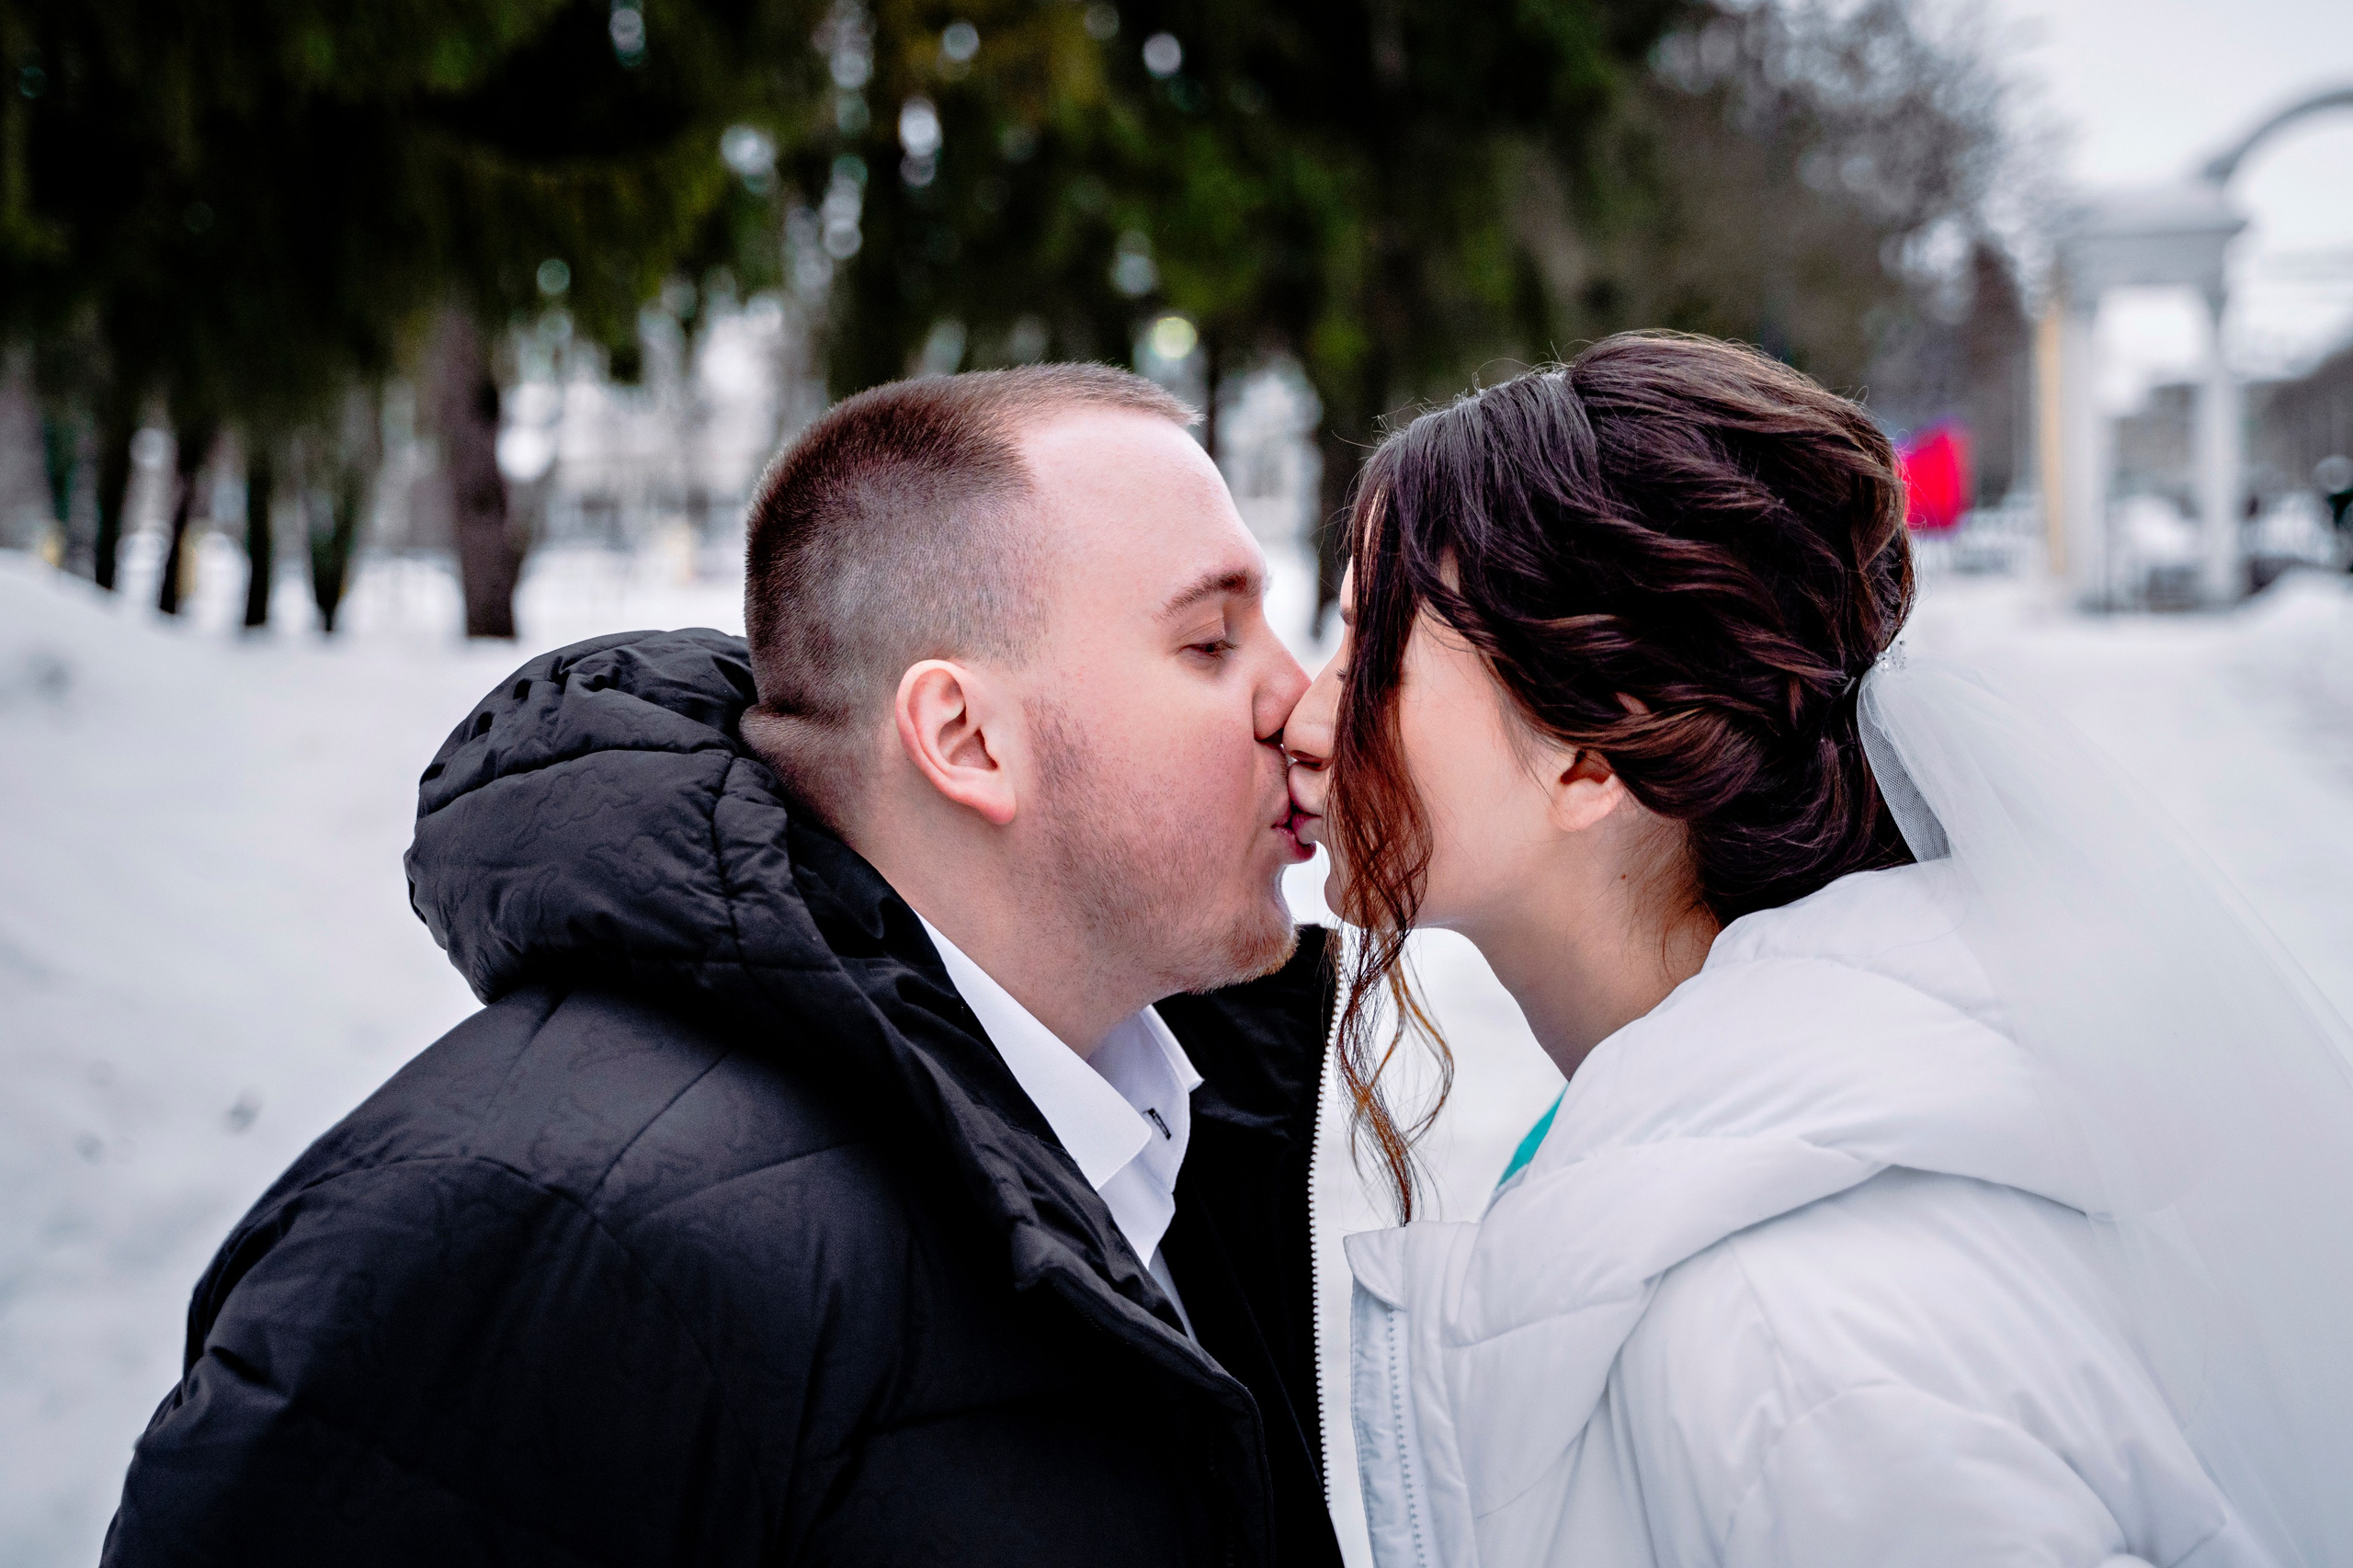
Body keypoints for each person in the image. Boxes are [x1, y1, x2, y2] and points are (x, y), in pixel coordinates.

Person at [103, 365, 1346, 1568]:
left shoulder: (1199, 1129)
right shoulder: (551, 1230)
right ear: (967, 738)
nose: (1300, 700)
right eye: (1209, 641)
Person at [1284, 335, 2353, 1566]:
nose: (1308, 719)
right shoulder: (1769, 1202)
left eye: (1370, 651)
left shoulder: (1798, 1346)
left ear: (1592, 751)